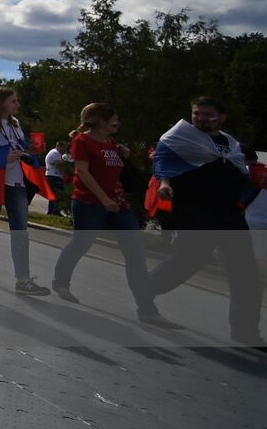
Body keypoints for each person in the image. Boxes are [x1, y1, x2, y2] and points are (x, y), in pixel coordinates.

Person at [50, 103, 180, 329]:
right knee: (81, 243)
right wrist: (103, 199)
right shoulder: (82, 141)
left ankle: (147, 309)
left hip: (119, 204)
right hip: (89, 203)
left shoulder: (110, 143)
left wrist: (122, 157)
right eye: (114, 120)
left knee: (135, 253)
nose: (118, 124)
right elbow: (82, 172)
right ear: (100, 121)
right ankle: (61, 282)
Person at [148, 97, 263, 346]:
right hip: (196, 211)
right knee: (188, 261)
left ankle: (246, 333)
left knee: (246, 274)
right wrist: (165, 183)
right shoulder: (178, 137)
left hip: (229, 214)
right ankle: (145, 292)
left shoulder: (231, 144)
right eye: (196, 113)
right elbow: (163, 162)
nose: (200, 118)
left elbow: (240, 173)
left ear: (221, 118)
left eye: (207, 114)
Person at [0, 87, 51, 296]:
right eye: (13, 101)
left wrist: (30, 152)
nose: (17, 104)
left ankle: (23, 279)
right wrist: (4, 159)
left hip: (16, 184)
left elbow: (18, 148)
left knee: (20, 231)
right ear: (0, 103)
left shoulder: (15, 125)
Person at [44, 140, 69, 215]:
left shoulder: (55, 153)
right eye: (64, 148)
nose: (65, 150)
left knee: (55, 195)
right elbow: (61, 165)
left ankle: (53, 211)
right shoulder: (55, 153)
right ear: (59, 146)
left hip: (54, 175)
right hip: (54, 176)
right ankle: (54, 212)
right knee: (57, 194)